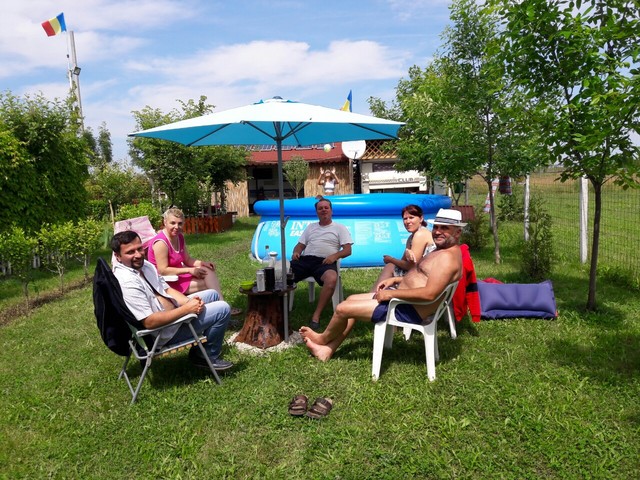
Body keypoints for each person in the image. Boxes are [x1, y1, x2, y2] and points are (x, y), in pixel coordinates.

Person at [299, 208, 465, 362]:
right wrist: (396, 280)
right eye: (436, 227)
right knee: (350, 299)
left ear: (457, 232)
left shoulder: (447, 259)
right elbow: (423, 278)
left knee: (343, 308)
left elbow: (430, 293)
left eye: (444, 228)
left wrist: (391, 293)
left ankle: (322, 339)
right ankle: (327, 350)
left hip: (406, 308)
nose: (437, 232)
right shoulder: (442, 251)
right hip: (405, 302)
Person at [111, 230, 233, 370]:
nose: (138, 255)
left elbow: (167, 289)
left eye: (139, 249)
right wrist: (186, 310)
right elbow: (150, 322)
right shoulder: (127, 282)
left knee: (213, 294)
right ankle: (205, 356)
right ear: (118, 256)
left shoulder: (145, 266)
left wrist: (188, 303)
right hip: (164, 333)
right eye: (130, 252)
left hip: (173, 316)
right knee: (223, 309)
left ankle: (203, 350)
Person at [147, 208, 241, 316]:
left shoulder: (179, 237)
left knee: (208, 271)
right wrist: (190, 270)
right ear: (165, 222)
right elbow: (162, 270)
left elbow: (187, 259)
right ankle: (217, 309)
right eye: (172, 223)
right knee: (209, 284)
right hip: (166, 282)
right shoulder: (161, 243)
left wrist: (202, 263)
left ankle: (220, 306)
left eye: (180, 223)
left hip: (178, 276)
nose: (176, 227)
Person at [290, 197, 353, 331]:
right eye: (320, 208)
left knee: (331, 278)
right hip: (305, 260)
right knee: (282, 272)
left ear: (331, 210)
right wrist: (296, 252)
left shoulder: (339, 228)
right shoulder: (311, 227)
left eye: (326, 208)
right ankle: (279, 308)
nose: (323, 210)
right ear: (317, 212)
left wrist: (334, 256)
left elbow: (348, 250)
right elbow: (300, 245)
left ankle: (316, 315)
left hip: (325, 262)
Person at [370, 204, 434, 292]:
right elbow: (403, 263)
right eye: (405, 219)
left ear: (421, 218)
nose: (408, 221)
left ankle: (374, 294)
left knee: (390, 266)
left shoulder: (420, 234)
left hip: (424, 278)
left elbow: (411, 266)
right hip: (419, 274)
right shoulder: (411, 238)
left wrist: (391, 259)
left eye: (411, 218)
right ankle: (376, 293)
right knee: (391, 266)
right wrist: (394, 260)